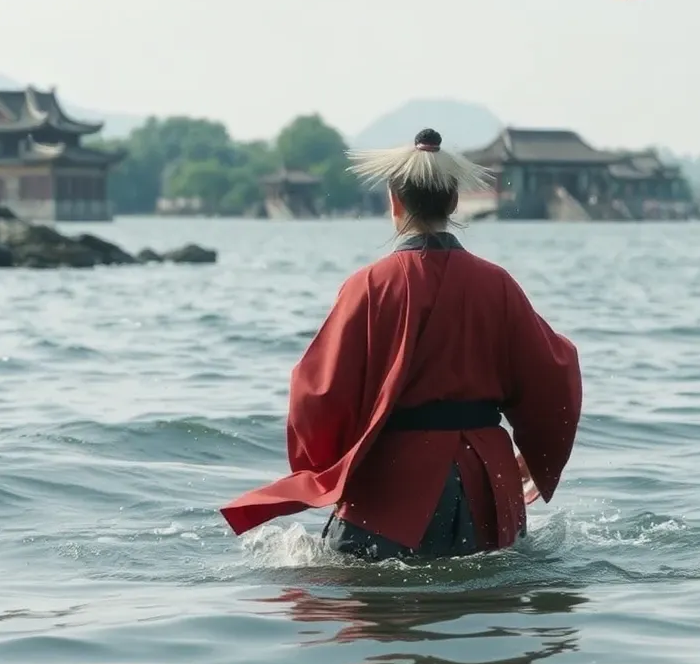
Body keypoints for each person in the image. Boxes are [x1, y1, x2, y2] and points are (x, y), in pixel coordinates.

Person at [219, 128, 582, 561]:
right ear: (454, 202)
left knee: (354, 599)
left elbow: (318, 394)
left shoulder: (370, 285)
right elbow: (555, 373)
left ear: (395, 201)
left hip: (393, 487)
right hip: (490, 485)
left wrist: (332, 472)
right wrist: (532, 455)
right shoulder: (498, 285)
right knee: (487, 606)